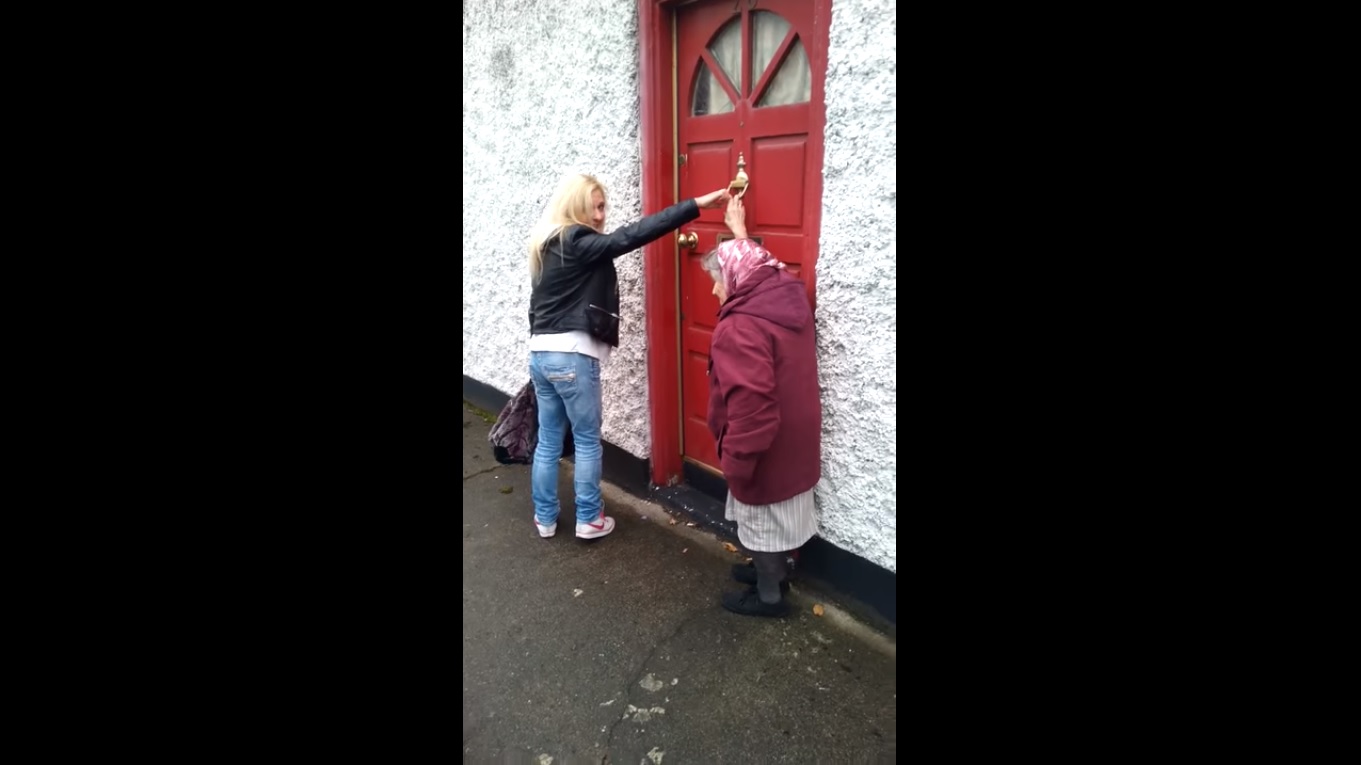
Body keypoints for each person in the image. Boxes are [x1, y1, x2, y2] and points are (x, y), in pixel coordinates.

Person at [527, 173, 730, 541]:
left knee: (549, 441)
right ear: (575, 207)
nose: (601, 215)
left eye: (603, 207)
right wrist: (695, 205)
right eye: (594, 207)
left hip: (541, 355)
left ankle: (544, 518)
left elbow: (535, 306)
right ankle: (589, 518)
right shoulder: (578, 240)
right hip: (572, 357)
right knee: (586, 440)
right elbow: (632, 235)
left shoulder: (547, 245)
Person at [702, 196, 822, 617]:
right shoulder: (784, 298)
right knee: (778, 518)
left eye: (717, 280)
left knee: (762, 521)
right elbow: (762, 264)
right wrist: (740, 234)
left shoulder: (740, 327)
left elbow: (753, 410)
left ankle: (770, 596)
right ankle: (771, 572)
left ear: (736, 279)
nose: (715, 289)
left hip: (765, 448)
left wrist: (737, 464)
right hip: (794, 441)